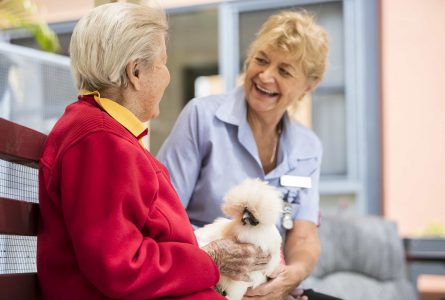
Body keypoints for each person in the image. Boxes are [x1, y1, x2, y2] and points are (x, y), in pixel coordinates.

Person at [37, 3, 269, 300]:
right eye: (163, 63)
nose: (167, 76)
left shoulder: (105, 134)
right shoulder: (98, 140)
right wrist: (210, 259)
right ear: (135, 71)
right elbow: (119, 266)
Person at [157, 10, 330, 300]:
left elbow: (303, 236)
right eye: (261, 60)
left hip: (268, 286)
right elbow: (161, 215)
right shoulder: (202, 117)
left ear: (308, 86)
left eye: (284, 71)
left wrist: (291, 275)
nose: (265, 76)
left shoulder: (308, 147)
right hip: (204, 282)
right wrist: (214, 254)